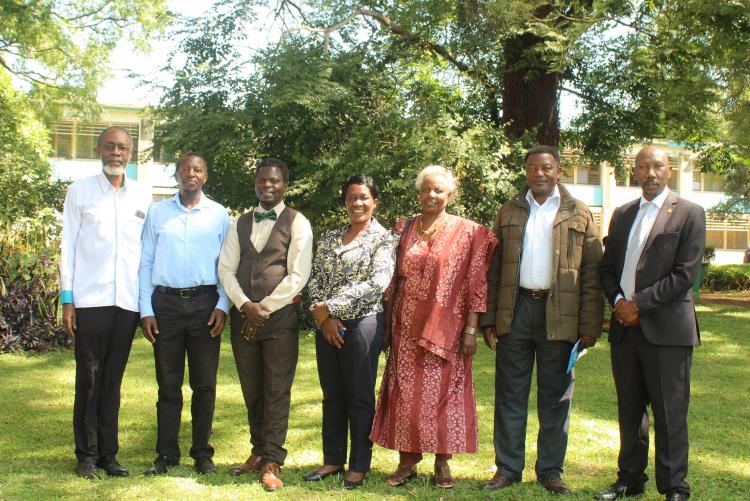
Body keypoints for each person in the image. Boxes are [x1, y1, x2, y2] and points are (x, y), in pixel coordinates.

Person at [480, 145, 604, 495]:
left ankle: (550, 471)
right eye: (533, 168)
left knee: (556, 397)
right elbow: (492, 267)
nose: (539, 174)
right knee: (510, 394)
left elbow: (593, 273)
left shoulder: (578, 213)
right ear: (525, 173)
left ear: (558, 171)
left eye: (546, 168)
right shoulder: (509, 211)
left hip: (559, 315)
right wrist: (490, 319)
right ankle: (507, 468)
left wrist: (589, 328)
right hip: (516, 309)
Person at [369, 165, 497, 489]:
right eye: (427, 189)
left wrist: (471, 329)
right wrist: (385, 323)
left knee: (444, 395)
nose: (432, 195)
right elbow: (391, 277)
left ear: (450, 195)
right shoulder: (404, 227)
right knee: (405, 395)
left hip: (448, 330)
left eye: (439, 190)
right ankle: (407, 462)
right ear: (419, 192)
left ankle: (442, 463)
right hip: (405, 326)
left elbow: (477, 284)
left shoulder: (468, 233)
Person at [597, 146, 705, 501]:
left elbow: (684, 275)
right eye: (643, 166)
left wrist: (638, 305)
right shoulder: (623, 214)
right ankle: (629, 479)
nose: (650, 173)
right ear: (634, 171)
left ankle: (674, 486)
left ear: (669, 170)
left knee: (670, 413)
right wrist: (617, 302)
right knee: (630, 411)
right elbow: (607, 267)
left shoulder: (689, 213)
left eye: (657, 165)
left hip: (668, 330)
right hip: (624, 330)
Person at [60, 126, 152, 479]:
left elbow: (145, 255)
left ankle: (108, 454)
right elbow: (68, 245)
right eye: (111, 146)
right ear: (99, 149)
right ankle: (86, 454)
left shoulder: (142, 196)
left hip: (126, 303)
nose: (117, 152)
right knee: (89, 377)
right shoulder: (80, 192)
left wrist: (145, 306)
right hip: (89, 299)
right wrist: (68, 299)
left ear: (131, 154)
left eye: (123, 148)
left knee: (113, 379)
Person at [218, 158, 313, 491]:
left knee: (276, 390)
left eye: (274, 181)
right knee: (252, 388)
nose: (267, 186)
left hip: (279, 319)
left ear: (284, 184)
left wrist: (264, 308)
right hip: (244, 317)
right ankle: (257, 452)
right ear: (256, 183)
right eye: (262, 181)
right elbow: (226, 270)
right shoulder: (239, 223)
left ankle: (273, 459)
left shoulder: (297, 222)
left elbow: (297, 275)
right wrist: (245, 305)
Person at [138, 153, 230, 476]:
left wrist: (223, 305)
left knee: (204, 384)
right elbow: (145, 262)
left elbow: (227, 266)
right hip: (165, 307)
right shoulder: (158, 212)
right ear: (176, 174)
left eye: (198, 169)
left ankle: (202, 454)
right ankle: (166, 454)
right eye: (185, 169)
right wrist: (145, 309)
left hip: (206, 305)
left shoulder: (219, 215)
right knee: (168, 385)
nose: (191, 174)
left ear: (205, 176)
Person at [304, 175, 397, 490]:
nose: (357, 203)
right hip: (326, 324)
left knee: (358, 396)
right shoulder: (330, 237)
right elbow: (314, 276)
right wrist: (323, 317)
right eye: (351, 198)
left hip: (362, 325)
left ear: (375, 202)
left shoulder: (384, 239)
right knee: (332, 395)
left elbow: (377, 284)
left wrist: (331, 308)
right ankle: (332, 459)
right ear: (344, 202)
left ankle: (358, 464)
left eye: (363, 197)